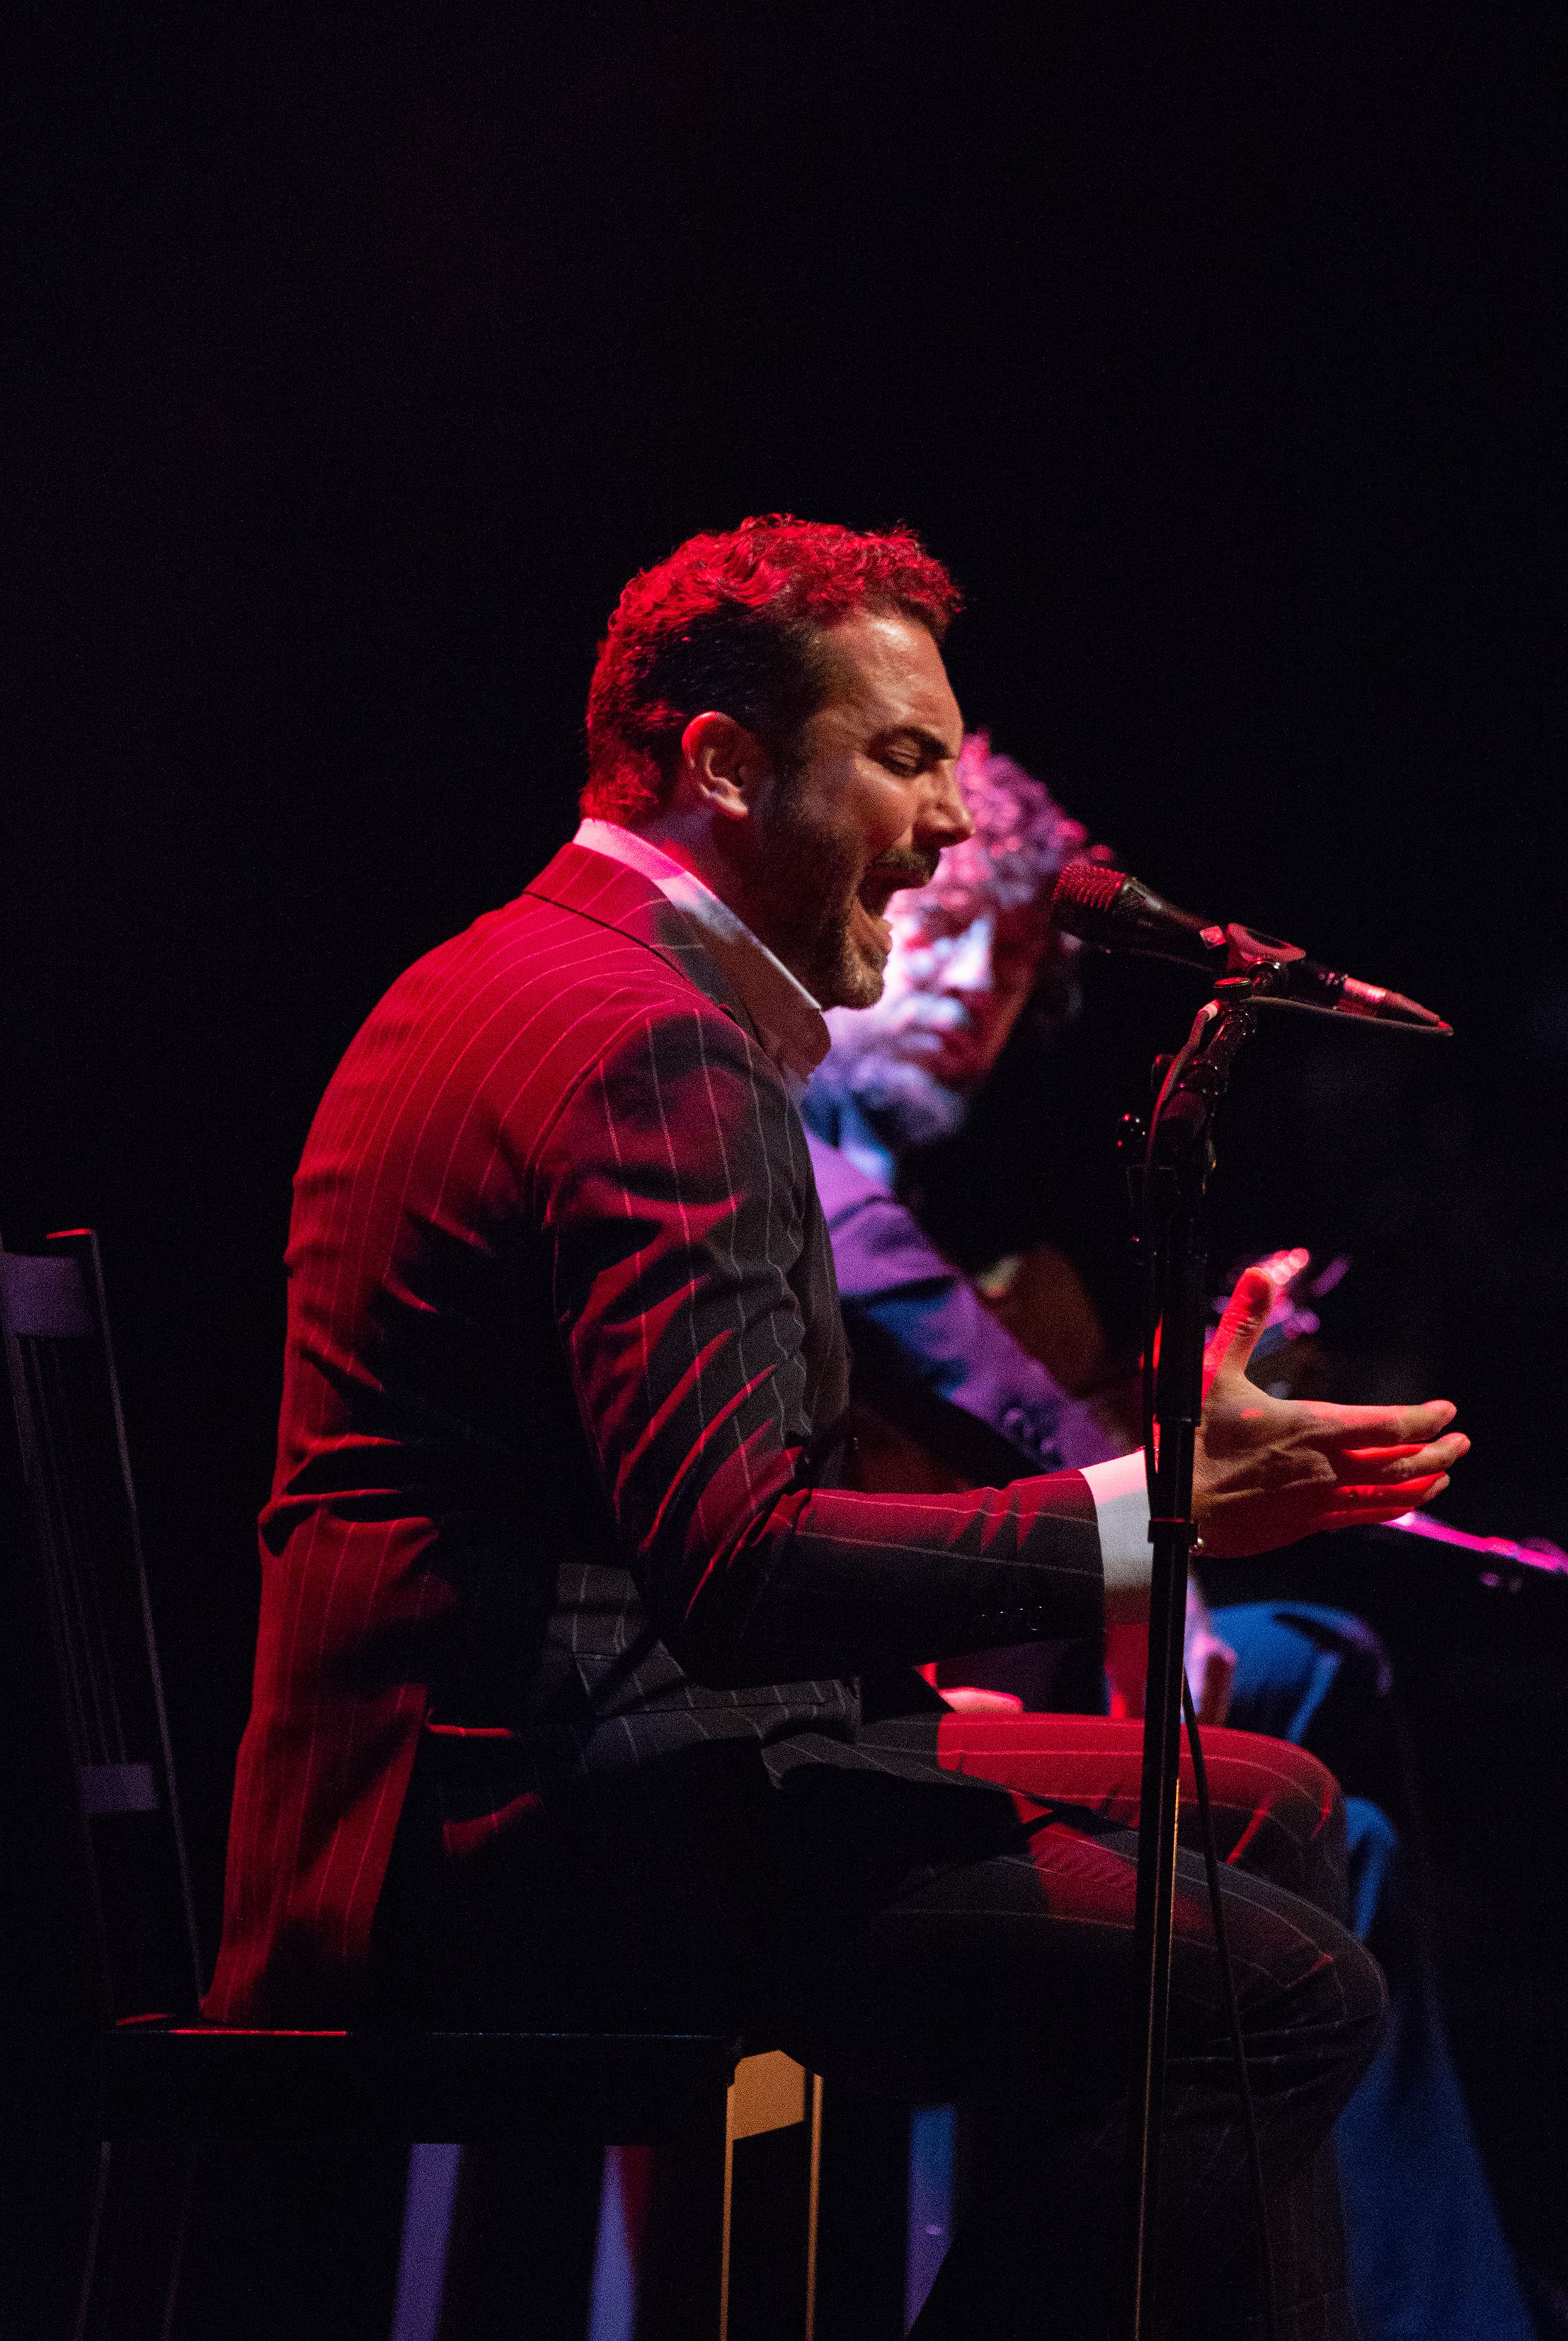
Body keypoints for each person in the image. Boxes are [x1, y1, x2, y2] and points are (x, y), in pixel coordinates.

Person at [206, 515, 1469, 2339]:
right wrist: (1152, 1513)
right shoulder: (648, 1043)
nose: (950, 824)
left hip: (526, 1784)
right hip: (512, 1845)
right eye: (900, 758)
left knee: (1263, 1808)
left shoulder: (534, 971)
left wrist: (948, 1680)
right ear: (721, 764)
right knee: (1275, 1992)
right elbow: (736, 1558)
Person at [803, 733, 1537, 2340]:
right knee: (1309, 1785)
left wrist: (1187, 1443)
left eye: (1008, 964)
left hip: (964, 1650)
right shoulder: (799, 1165)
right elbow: (1012, 1431)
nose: (967, 992)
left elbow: (1026, 1429)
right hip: (869, 1693)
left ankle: (1393, 2293)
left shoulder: (911, 1201)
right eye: (939, 930)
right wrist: (1173, 1501)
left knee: (1316, 1724)